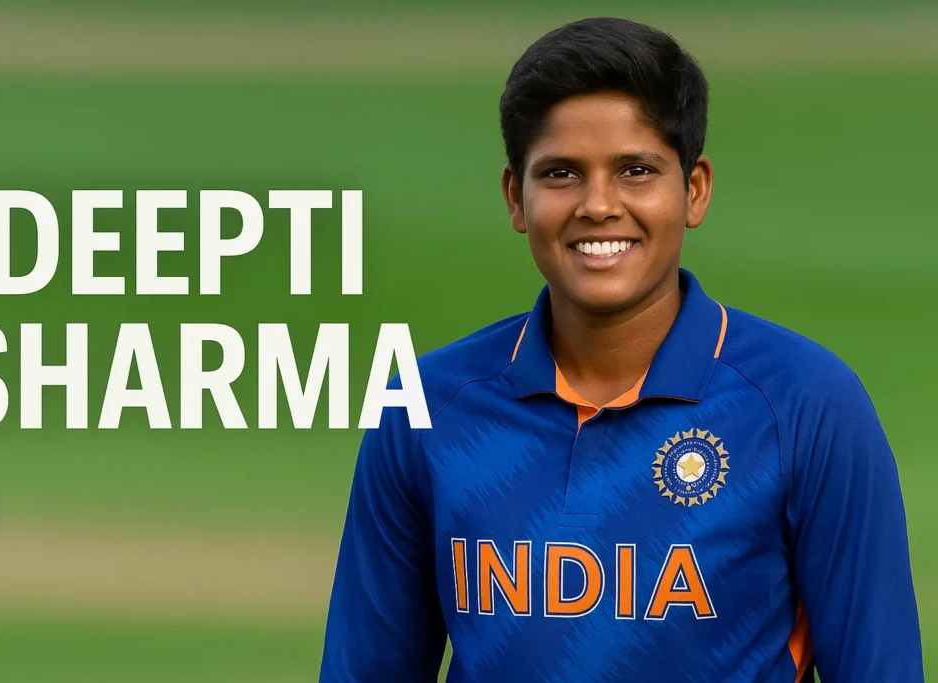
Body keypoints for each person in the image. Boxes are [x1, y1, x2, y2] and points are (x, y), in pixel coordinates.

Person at [319, 16, 923, 682]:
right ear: (515, 197)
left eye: (636, 170)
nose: (598, 205)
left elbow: (880, 666)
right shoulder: (424, 407)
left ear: (693, 190)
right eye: (561, 174)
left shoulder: (805, 404)